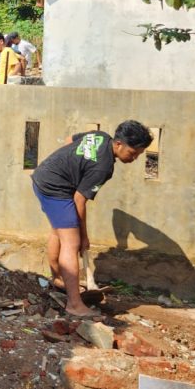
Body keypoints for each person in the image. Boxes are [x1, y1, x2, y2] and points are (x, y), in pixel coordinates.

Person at [31, 121, 152, 317]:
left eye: (139, 153)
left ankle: (58, 279)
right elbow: (79, 201)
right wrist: (84, 236)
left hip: (45, 176)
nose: (135, 157)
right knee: (71, 242)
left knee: (59, 230)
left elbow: (70, 140)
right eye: (133, 152)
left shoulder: (101, 136)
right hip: (55, 188)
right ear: (119, 144)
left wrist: (64, 165)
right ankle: (74, 304)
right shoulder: (103, 167)